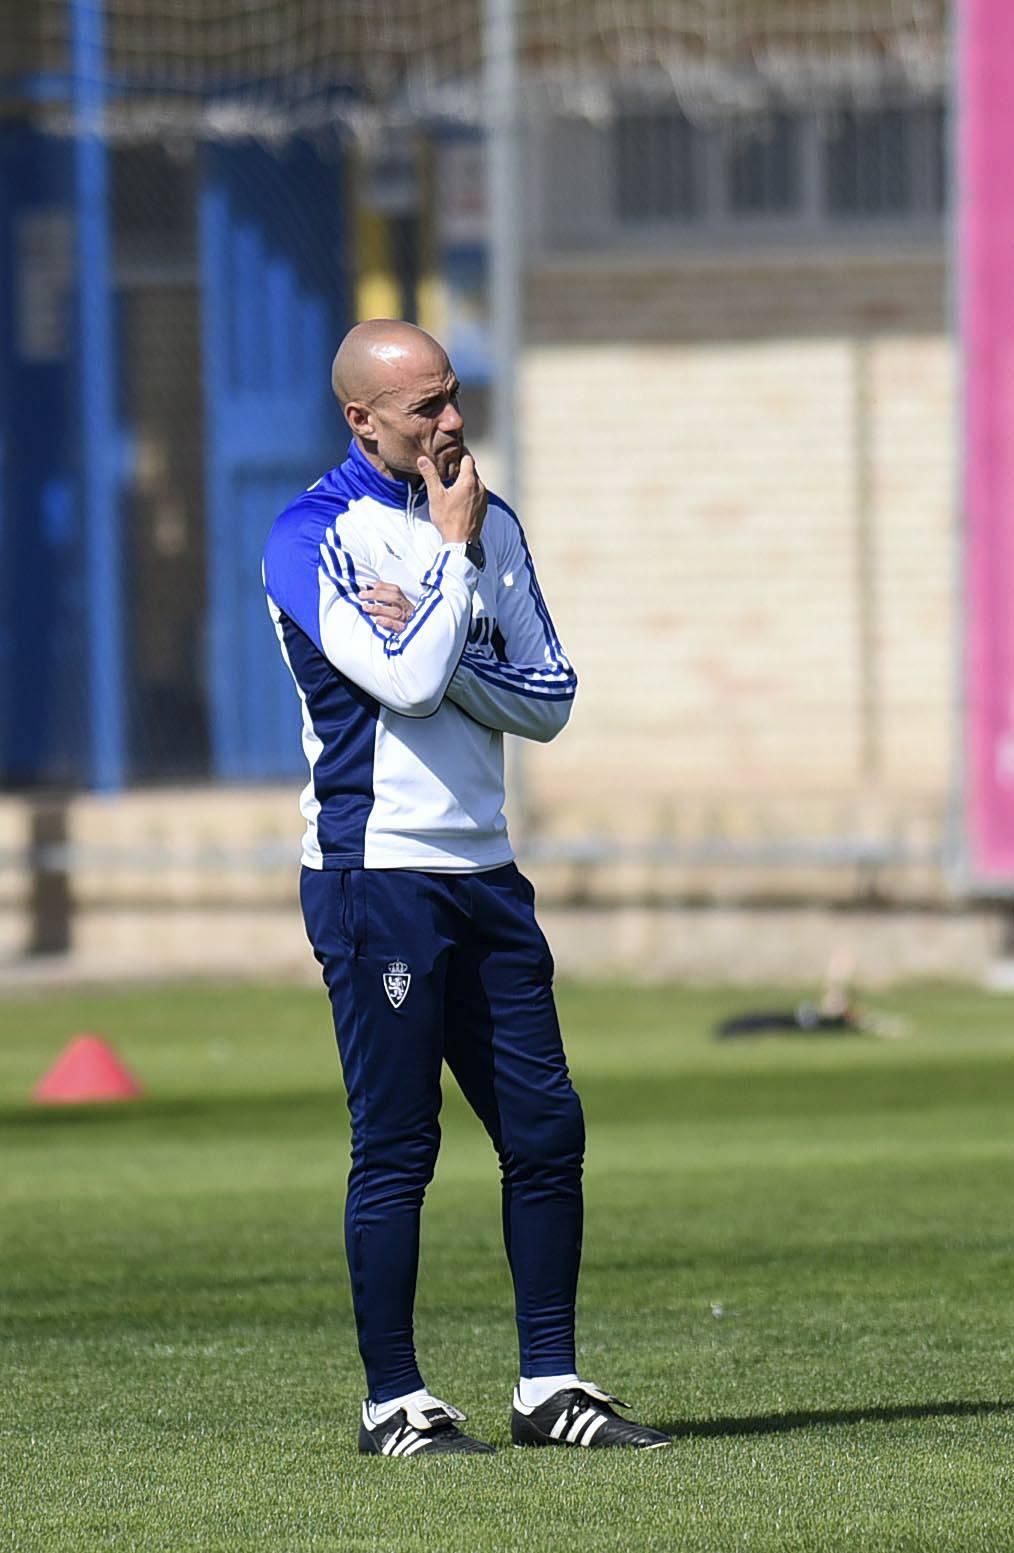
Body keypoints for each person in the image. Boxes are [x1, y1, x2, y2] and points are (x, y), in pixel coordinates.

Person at [262, 319, 669, 1457]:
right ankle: (393, 1400)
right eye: (423, 406)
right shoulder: (310, 534)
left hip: (487, 870)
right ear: (362, 420)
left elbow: (546, 695)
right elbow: (398, 673)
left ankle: (550, 1386)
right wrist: (444, 570)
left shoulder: (493, 524)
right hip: (377, 872)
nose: (450, 421)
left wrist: (442, 645)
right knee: (398, 1144)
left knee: (546, 1128)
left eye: (454, 396)